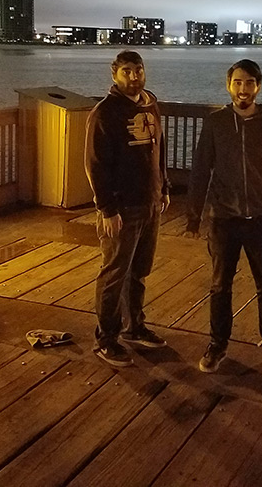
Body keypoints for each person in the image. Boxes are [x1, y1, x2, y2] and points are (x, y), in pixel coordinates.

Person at [184, 59, 262, 380]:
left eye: (249, 83)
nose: (243, 89)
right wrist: (194, 215)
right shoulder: (216, 122)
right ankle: (218, 344)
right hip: (224, 218)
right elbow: (200, 170)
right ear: (228, 85)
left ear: (258, 86)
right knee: (220, 285)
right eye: (237, 82)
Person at [84, 50, 170, 367]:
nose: (134, 77)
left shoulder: (150, 103)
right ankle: (106, 338)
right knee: (114, 273)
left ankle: (135, 327)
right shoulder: (104, 113)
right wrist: (107, 209)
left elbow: (159, 149)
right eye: (127, 71)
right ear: (115, 74)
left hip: (150, 202)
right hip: (121, 207)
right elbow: (95, 165)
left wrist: (164, 187)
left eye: (139, 70)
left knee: (140, 271)